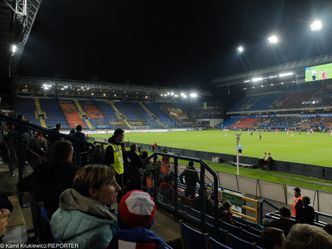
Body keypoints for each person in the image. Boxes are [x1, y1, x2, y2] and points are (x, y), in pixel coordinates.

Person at [51, 164, 121, 249]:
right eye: (111, 183)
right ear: (93, 191)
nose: (118, 188)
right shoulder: (102, 233)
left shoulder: (59, 213)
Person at [17, 140, 77, 217]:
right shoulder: (75, 172)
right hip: (65, 217)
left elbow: (21, 186)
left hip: (47, 216)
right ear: (69, 154)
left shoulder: (43, 168)